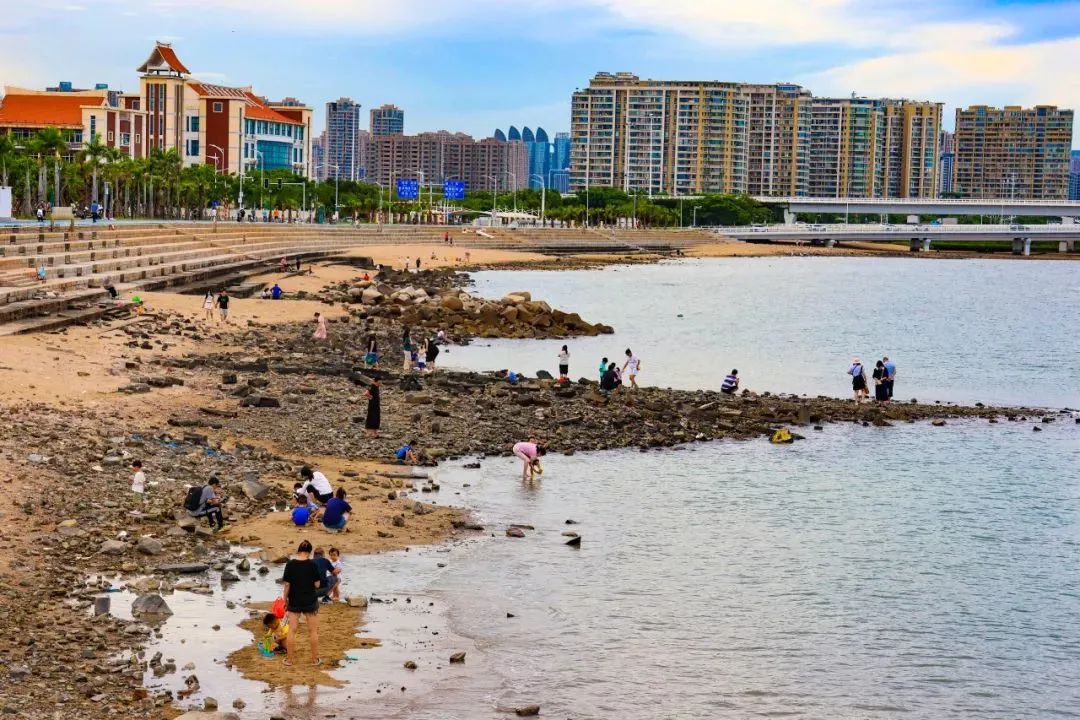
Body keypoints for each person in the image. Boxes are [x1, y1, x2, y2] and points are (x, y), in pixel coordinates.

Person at [281, 540, 321, 666]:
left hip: (294, 601)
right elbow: (317, 584)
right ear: (309, 553)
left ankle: (289, 660)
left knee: (292, 630)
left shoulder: (290, 564)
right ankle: (315, 660)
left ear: (298, 551)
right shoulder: (313, 565)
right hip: (310, 601)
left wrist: (285, 599)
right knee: (313, 631)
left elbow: (287, 584)